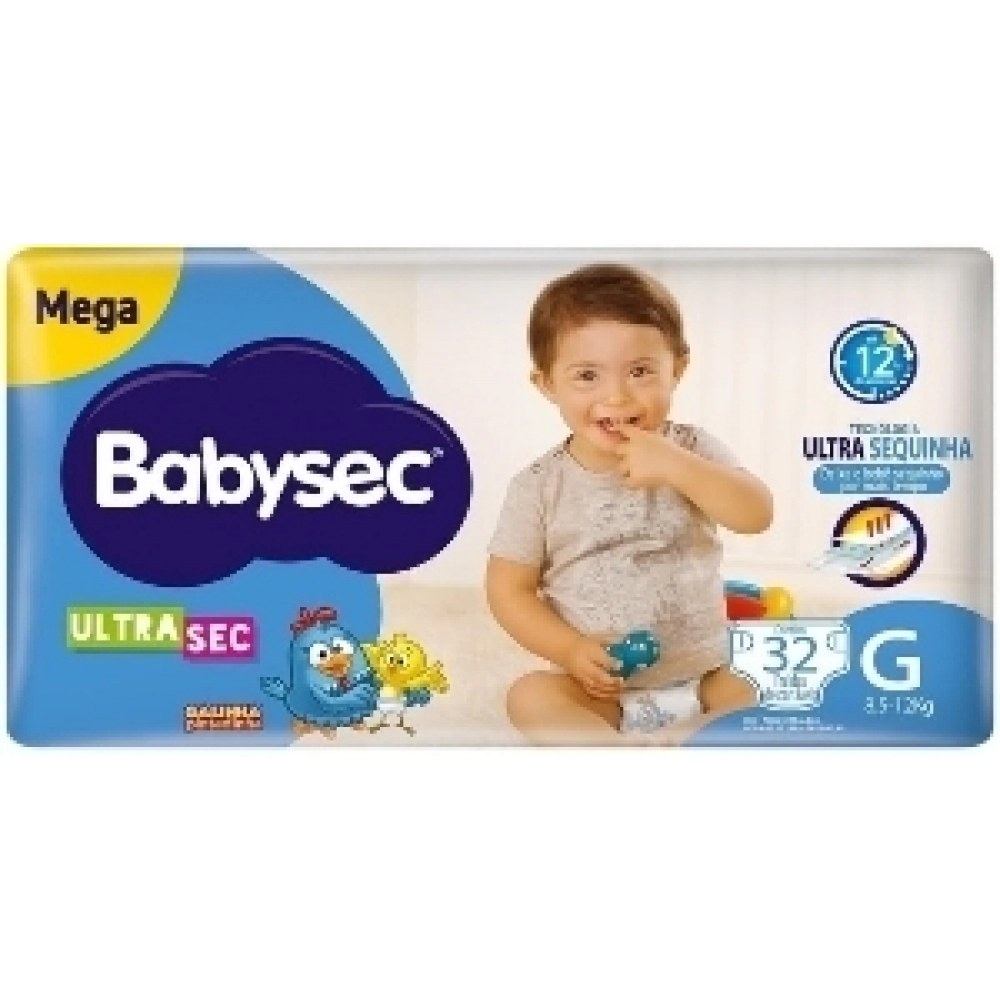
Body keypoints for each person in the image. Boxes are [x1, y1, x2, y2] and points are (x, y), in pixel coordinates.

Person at [485, 262, 774, 745]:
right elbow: (508, 591)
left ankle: (686, 736)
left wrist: (679, 468)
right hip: (600, 689)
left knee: (779, 674)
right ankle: (619, 751)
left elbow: (756, 513)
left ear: (677, 369)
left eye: (640, 372)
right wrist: (570, 649)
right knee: (529, 697)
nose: (617, 396)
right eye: (587, 376)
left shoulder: (693, 450)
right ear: (547, 384)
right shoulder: (537, 486)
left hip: (708, 674)